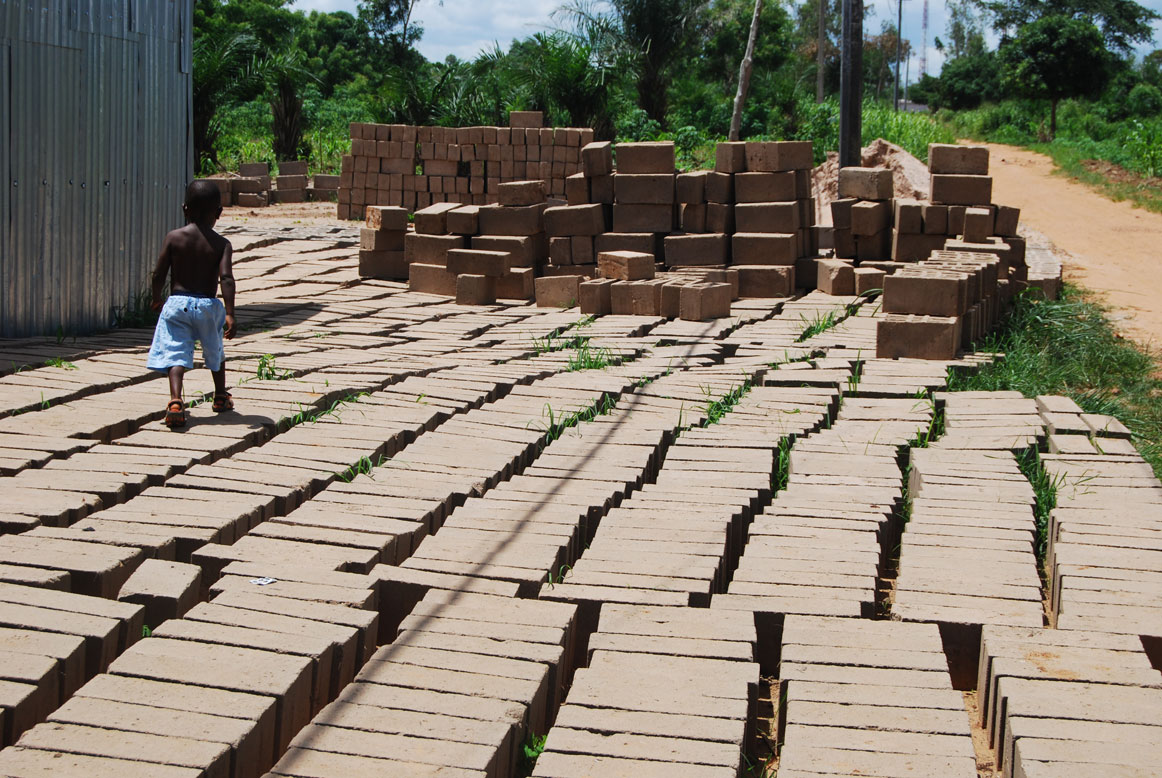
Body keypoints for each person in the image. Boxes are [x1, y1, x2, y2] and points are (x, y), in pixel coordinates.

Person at [146, 180, 237, 428]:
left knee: (176, 352)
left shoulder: (174, 238)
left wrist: (156, 298)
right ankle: (220, 396)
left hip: (177, 304)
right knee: (215, 350)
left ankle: (176, 401)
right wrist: (229, 313)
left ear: (185, 209)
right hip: (208, 305)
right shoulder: (221, 244)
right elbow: (226, 278)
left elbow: (158, 274)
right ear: (218, 213)